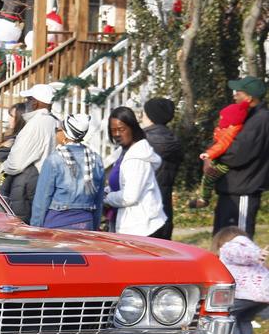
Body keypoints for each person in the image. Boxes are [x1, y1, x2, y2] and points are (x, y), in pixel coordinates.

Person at [211, 76, 269, 237]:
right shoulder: (248, 116)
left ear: (249, 98)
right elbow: (226, 139)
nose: (234, 95)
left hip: (243, 189)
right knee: (222, 240)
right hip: (233, 188)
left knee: (238, 241)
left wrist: (215, 156)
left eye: (239, 92)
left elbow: (238, 154)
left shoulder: (260, 120)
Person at [30, 114, 105, 230]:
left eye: (58, 129)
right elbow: (98, 201)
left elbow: (42, 200)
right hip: (86, 224)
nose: (56, 133)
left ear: (65, 133)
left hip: (57, 224)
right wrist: (94, 228)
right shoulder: (96, 159)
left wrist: (35, 229)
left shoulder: (54, 159)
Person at [102, 106, 167, 237]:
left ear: (132, 128)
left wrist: (105, 199)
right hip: (130, 223)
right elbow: (121, 183)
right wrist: (106, 190)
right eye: (113, 130)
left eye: (121, 129)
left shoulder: (137, 158)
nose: (117, 134)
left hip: (143, 228)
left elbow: (129, 196)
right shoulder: (124, 152)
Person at [212, 226, 269, 334]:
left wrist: (257, 254)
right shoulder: (250, 247)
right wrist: (257, 254)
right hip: (263, 295)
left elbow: (239, 253)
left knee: (226, 314)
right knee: (244, 320)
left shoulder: (229, 247)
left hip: (245, 294)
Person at [0, 84, 58, 223]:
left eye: (28, 99)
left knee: (22, 229)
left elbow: (16, 163)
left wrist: (4, 167)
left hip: (28, 187)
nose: (27, 103)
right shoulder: (52, 121)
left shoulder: (36, 124)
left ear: (35, 102)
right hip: (42, 183)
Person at [188, 99, 248, 210]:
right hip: (219, 157)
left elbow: (222, 145)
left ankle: (204, 199)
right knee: (209, 175)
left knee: (209, 177)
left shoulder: (230, 132)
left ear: (230, 119)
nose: (220, 120)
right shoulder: (227, 128)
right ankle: (204, 197)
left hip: (223, 163)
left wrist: (209, 154)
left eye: (222, 117)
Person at [141, 97, 182, 239]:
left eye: (144, 113)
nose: (142, 116)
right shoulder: (174, 140)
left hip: (143, 208)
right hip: (165, 205)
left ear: (151, 117)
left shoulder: (142, 142)